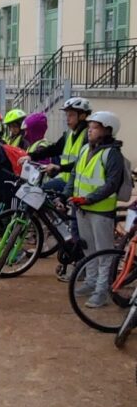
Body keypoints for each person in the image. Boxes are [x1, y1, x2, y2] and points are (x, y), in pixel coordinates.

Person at [48, 111, 126, 307]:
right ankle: (91, 282)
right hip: (82, 208)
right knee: (88, 249)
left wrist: (89, 199)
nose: (90, 131)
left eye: (95, 128)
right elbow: (75, 176)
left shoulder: (112, 154)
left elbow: (111, 184)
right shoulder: (85, 150)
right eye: (89, 127)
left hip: (101, 211)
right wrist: (65, 195)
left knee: (103, 253)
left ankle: (101, 291)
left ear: (108, 130)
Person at [27, 97, 91, 193]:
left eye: (71, 115)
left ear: (82, 116)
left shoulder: (88, 137)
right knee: (40, 192)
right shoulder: (69, 134)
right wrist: (31, 156)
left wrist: (60, 168)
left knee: (41, 192)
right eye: (67, 115)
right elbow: (54, 149)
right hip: (65, 179)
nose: (67, 118)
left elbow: (83, 163)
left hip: (78, 184)